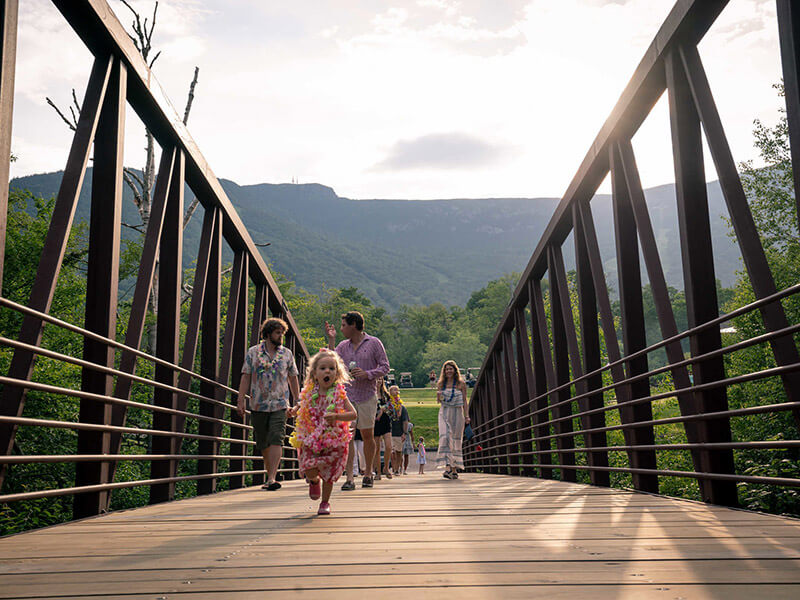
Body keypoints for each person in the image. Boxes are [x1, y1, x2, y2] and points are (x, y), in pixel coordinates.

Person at [326, 311, 390, 489]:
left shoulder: (374, 343)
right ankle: (349, 478)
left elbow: (385, 366)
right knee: (348, 436)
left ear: (354, 325)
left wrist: (368, 374)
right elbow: (331, 361)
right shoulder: (342, 346)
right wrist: (331, 340)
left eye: (343, 325)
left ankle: (368, 472)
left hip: (367, 395)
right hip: (347, 396)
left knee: (368, 436)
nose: (341, 329)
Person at [288, 349, 356, 515]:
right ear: (314, 374)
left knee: (329, 473)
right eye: (323, 368)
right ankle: (313, 480)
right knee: (309, 467)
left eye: (332, 369)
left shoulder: (339, 394)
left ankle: (325, 502)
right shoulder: (310, 392)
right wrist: (294, 410)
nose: (328, 371)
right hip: (311, 436)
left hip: (332, 439)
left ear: (337, 373)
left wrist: (338, 416)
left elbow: (353, 414)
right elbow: (301, 406)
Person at [237, 318, 300, 491]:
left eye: (282, 333)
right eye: (277, 333)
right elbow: (246, 375)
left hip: (280, 404)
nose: (281, 336)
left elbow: (293, 377)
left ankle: (272, 477)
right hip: (258, 404)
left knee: (276, 438)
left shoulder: (287, 354)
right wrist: (240, 399)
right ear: (268, 333)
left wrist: (298, 401)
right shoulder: (253, 352)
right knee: (263, 441)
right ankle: (270, 473)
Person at [436, 360, 470, 479]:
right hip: (445, 412)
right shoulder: (441, 384)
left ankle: (454, 469)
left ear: (455, 370)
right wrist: (438, 397)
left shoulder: (461, 384)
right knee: (445, 437)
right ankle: (447, 468)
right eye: (447, 369)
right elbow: (439, 401)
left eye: (451, 369)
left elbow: (465, 401)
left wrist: (467, 416)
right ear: (444, 371)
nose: (449, 371)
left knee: (455, 440)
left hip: (457, 413)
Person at [373, 377, 393, 480]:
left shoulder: (386, 395)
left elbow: (391, 407)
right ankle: (378, 472)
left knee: (389, 446)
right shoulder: (371, 394)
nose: (378, 381)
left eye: (380, 379)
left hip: (385, 421)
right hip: (375, 422)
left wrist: (383, 409)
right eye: (377, 379)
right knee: (376, 449)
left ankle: (386, 467)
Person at [387, 385, 409, 475]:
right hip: (389, 432)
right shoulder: (388, 406)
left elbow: (405, 421)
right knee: (391, 452)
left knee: (398, 452)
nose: (396, 392)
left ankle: (397, 469)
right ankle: (392, 468)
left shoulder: (402, 407)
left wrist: (404, 432)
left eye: (397, 390)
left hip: (399, 433)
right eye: (394, 390)